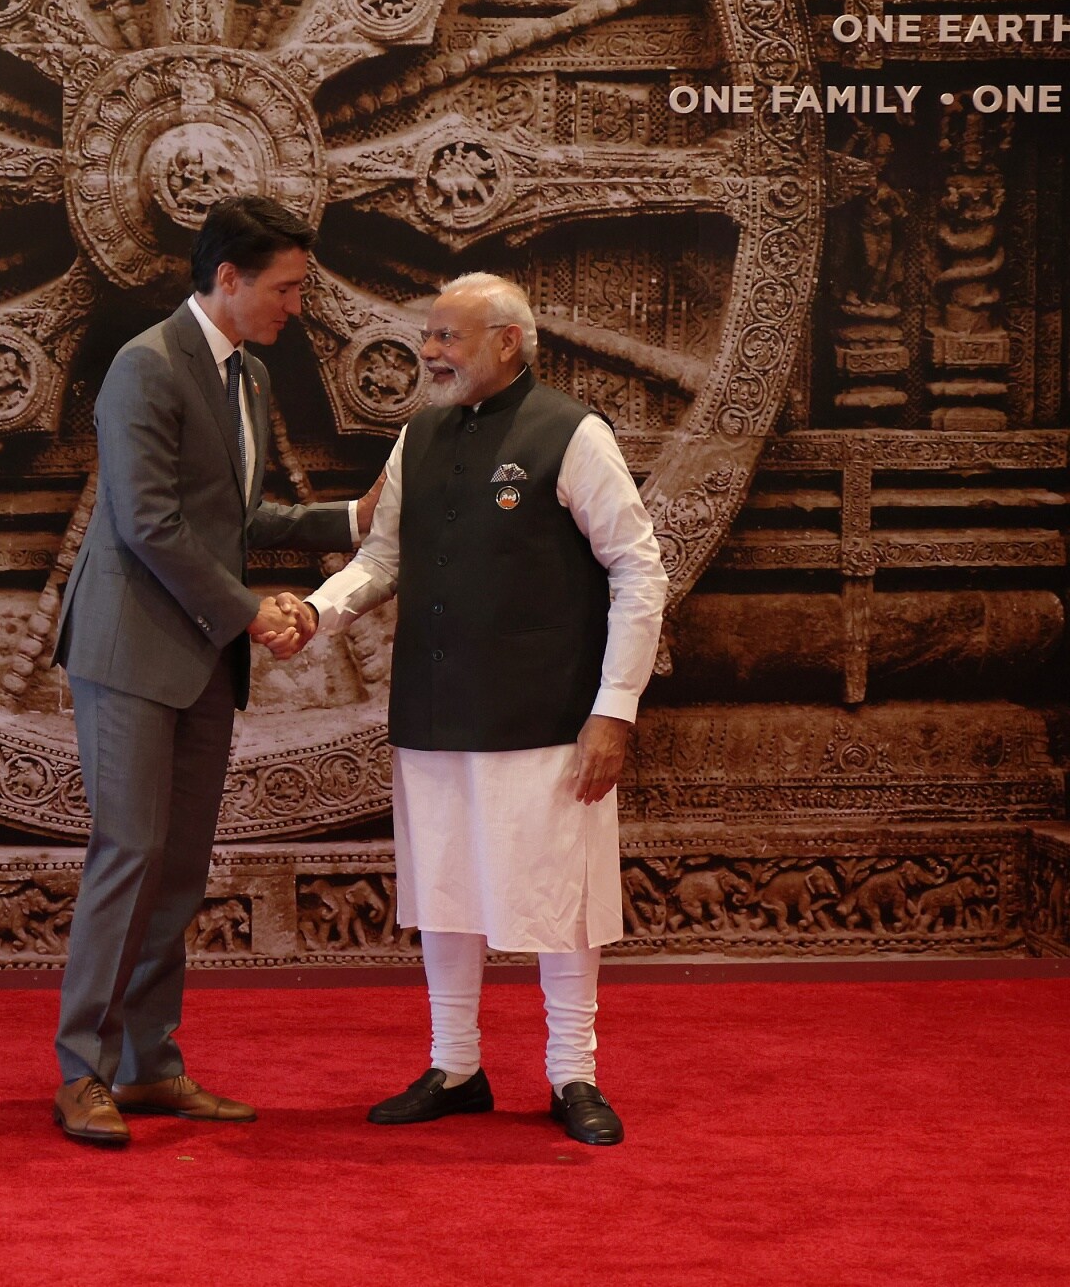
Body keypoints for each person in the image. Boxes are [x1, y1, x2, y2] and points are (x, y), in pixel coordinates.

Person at [267, 271, 667, 1146]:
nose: (430, 351)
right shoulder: (418, 435)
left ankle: (573, 1073)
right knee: (444, 889)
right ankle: (455, 1066)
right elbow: (382, 558)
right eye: (430, 335)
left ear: (507, 342)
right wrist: (319, 612)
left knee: (563, 897)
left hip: (548, 714)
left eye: (448, 336)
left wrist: (615, 709)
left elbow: (640, 571)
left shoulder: (573, 433)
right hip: (435, 706)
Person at [49, 195, 382, 1147]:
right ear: (227, 278)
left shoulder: (250, 375)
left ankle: (149, 1065)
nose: (297, 306)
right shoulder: (144, 366)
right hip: (131, 650)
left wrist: (348, 520)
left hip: (198, 652)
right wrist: (250, 611)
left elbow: (231, 520)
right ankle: (82, 1072)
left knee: (181, 866)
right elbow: (148, 523)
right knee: (129, 854)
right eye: (285, 288)